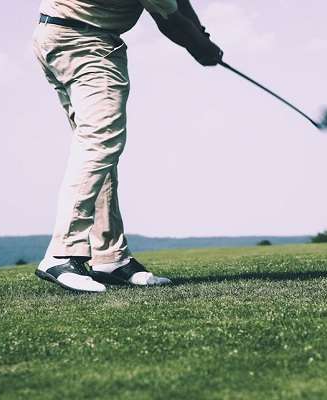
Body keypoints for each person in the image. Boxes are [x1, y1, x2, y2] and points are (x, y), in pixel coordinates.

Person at [32, 0, 222, 292]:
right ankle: (62, 252)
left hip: (56, 36)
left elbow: (179, 3)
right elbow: (170, 20)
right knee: (100, 141)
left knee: (98, 152)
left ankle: (110, 257)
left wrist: (201, 35)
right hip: (87, 42)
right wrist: (203, 47)